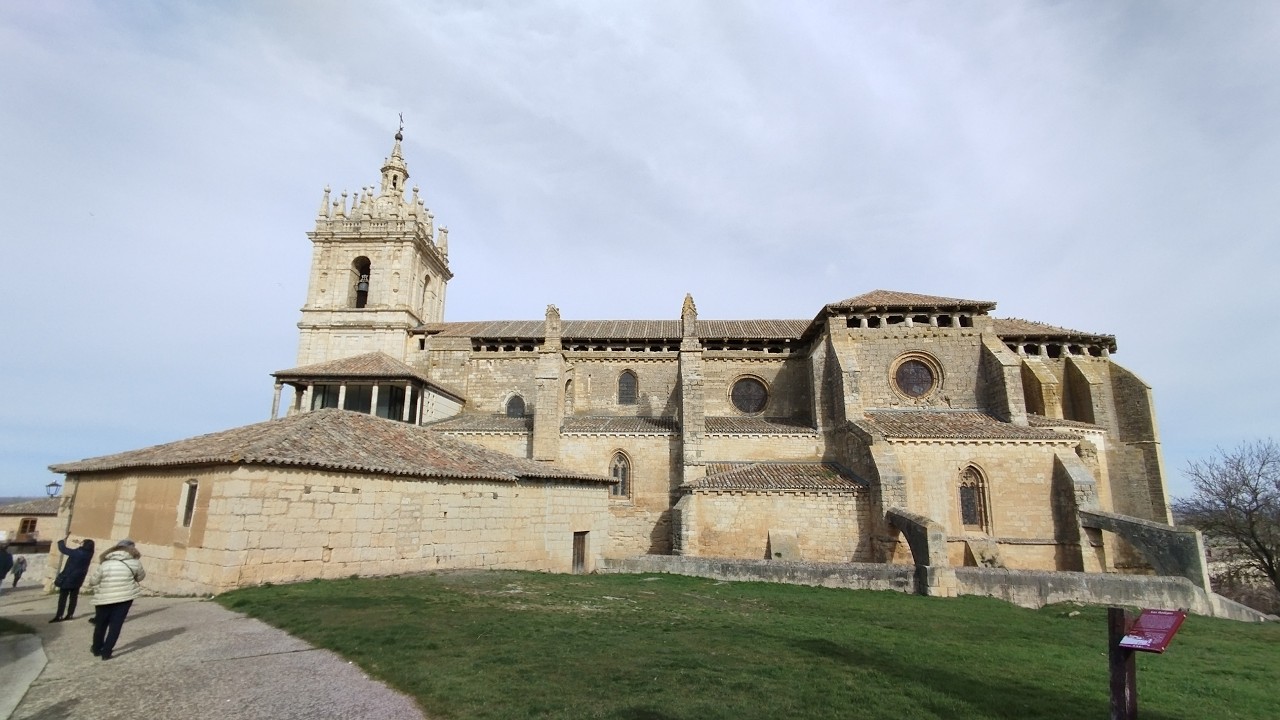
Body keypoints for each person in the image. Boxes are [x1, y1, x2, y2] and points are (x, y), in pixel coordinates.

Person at [86, 539, 145, 660]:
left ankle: (96, 648)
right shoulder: (135, 563)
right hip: (124, 598)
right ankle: (106, 652)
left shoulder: (106, 562)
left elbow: (93, 581)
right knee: (116, 625)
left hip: (104, 597)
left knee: (101, 624)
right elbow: (140, 577)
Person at [50, 537, 95, 622]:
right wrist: (80, 542)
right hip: (79, 579)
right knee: (73, 598)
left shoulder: (78, 552)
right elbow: (84, 547)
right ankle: (70, 614)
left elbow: (63, 549)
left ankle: (59, 616)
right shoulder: (89, 553)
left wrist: (61, 541)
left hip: (69, 578)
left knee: (63, 598)